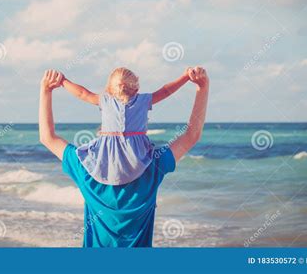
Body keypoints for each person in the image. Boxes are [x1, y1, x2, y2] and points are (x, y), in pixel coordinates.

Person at [39, 66, 209, 247]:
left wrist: (47, 89)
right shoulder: (152, 165)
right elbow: (191, 135)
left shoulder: (86, 167)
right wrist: (202, 87)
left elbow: (48, 137)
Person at [59, 67, 190, 185]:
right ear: (136, 88)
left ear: (109, 89)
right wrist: (185, 77)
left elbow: (83, 93)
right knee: (150, 165)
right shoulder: (143, 100)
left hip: (107, 158)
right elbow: (166, 91)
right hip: (136, 159)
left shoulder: (105, 100)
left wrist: (63, 81)